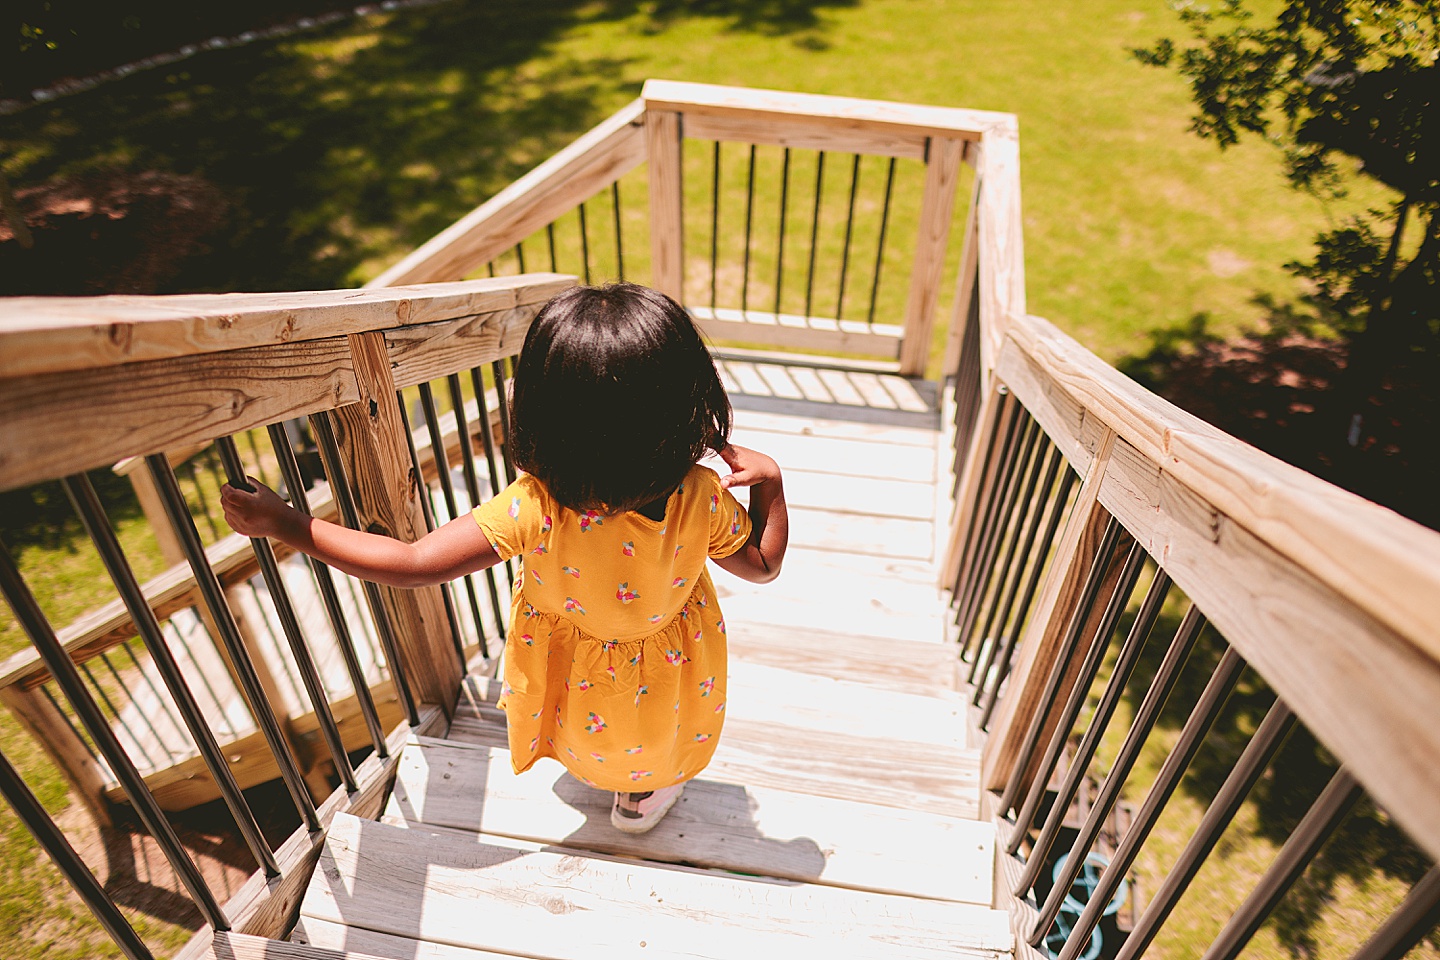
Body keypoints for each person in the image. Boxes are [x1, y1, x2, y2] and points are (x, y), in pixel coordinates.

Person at [220, 282, 788, 834]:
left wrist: (289, 524)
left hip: (577, 665)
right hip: (668, 664)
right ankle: (641, 796)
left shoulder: (535, 506)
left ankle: (605, 770)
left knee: (594, 722)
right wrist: (770, 484)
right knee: (653, 727)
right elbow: (762, 565)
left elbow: (414, 562)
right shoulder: (700, 496)